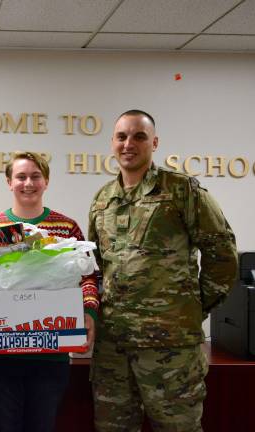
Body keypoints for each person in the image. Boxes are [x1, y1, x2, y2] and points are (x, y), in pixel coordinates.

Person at [89, 110, 238, 432]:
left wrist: (190, 308)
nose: (129, 144)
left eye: (139, 136)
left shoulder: (183, 191)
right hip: (114, 345)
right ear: (112, 143)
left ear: (154, 143)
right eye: (121, 137)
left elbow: (223, 256)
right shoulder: (103, 200)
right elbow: (97, 266)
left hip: (170, 347)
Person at [0, 151, 99, 432]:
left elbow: (88, 277)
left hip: (51, 349)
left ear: (46, 181)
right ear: (9, 182)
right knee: (4, 426)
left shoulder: (66, 227)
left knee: (42, 426)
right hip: (1, 350)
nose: (28, 183)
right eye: (21, 177)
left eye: (35, 176)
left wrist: (89, 310)